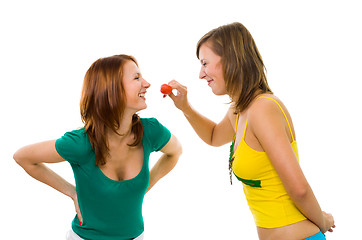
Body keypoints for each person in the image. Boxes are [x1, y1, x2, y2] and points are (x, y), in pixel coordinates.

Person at [167, 22, 335, 240]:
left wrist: (323, 222)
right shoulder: (239, 110)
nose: (201, 74)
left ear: (231, 60)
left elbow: (299, 188)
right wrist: (185, 108)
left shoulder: (263, 109)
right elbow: (213, 136)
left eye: (205, 63)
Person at [13, 54, 182, 240]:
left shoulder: (152, 132)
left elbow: (175, 153)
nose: (147, 84)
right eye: (136, 78)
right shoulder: (80, 143)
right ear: (112, 90)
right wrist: (72, 192)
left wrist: (147, 185)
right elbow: (22, 157)